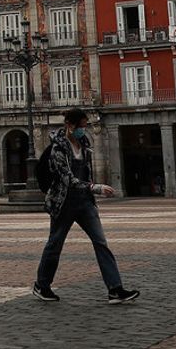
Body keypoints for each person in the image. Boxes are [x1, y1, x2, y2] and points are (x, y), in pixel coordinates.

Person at [32, 107, 140, 305]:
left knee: (101, 243)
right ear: (69, 125)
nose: (84, 129)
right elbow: (67, 179)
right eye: (81, 126)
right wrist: (96, 187)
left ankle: (115, 289)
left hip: (85, 202)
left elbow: (85, 173)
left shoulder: (83, 144)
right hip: (64, 203)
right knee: (55, 245)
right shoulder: (58, 149)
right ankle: (42, 285)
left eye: (85, 126)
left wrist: (91, 191)